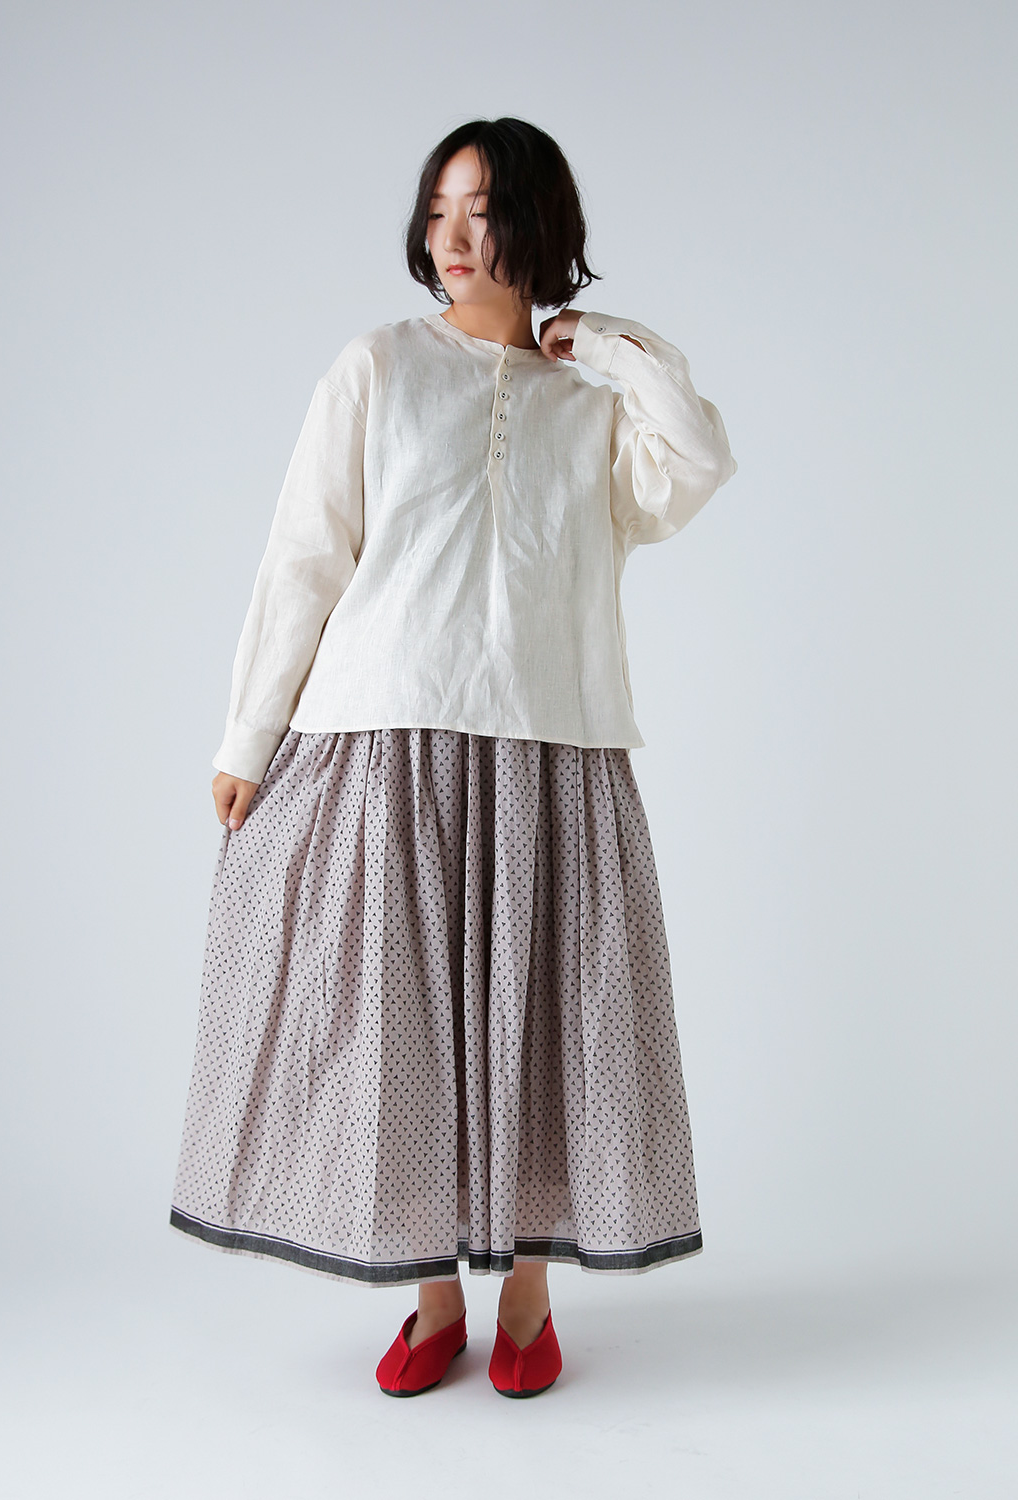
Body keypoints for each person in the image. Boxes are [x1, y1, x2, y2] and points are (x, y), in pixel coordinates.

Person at [169, 116, 738, 1399]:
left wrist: (597, 340)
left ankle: (527, 1292)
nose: (454, 239)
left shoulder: (591, 409)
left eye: (481, 211)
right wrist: (250, 734)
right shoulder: (377, 367)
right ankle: (433, 1296)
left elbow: (699, 459)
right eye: (438, 212)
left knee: (540, 1025)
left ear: (540, 224)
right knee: (404, 1031)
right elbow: (305, 554)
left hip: (550, 749)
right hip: (388, 745)